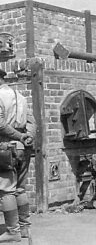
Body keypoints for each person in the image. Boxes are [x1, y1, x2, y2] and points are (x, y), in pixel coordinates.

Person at [0, 68, 36, 243]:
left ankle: (12, 231)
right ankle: (25, 229)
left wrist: (19, 136)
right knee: (21, 188)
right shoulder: (20, 96)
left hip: (5, 147)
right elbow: (32, 122)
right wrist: (27, 137)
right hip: (23, 148)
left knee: (6, 188)